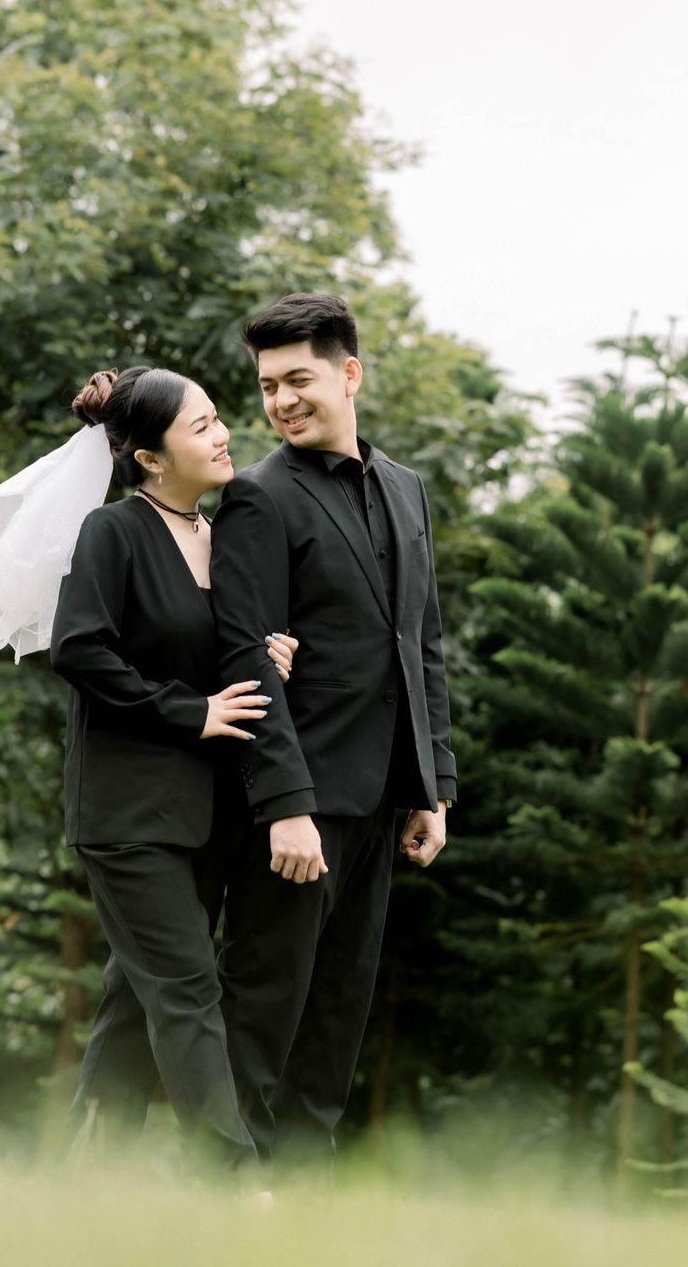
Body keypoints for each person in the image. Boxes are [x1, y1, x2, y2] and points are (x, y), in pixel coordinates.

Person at [209, 292, 457, 1170]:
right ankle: (226, 1183)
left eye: (298, 380)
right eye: (268, 386)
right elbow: (247, 661)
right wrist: (285, 806)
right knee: (263, 1004)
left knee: (340, 1012)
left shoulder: (407, 489)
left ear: (349, 375)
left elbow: (422, 643)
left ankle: (300, 1191)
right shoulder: (256, 498)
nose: (281, 401)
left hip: (383, 800)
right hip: (296, 808)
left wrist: (433, 786)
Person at [49, 364, 298, 1174]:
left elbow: (212, 653)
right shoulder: (113, 532)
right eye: (201, 426)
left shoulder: (220, 537)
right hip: (128, 814)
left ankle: (86, 1183)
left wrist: (264, 657)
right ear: (150, 458)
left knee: (136, 1001)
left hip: (203, 812)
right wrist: (190, 712)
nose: (224, 435)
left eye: (218, 418)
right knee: (189, 989)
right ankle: (236, 1181)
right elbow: (79, 649)